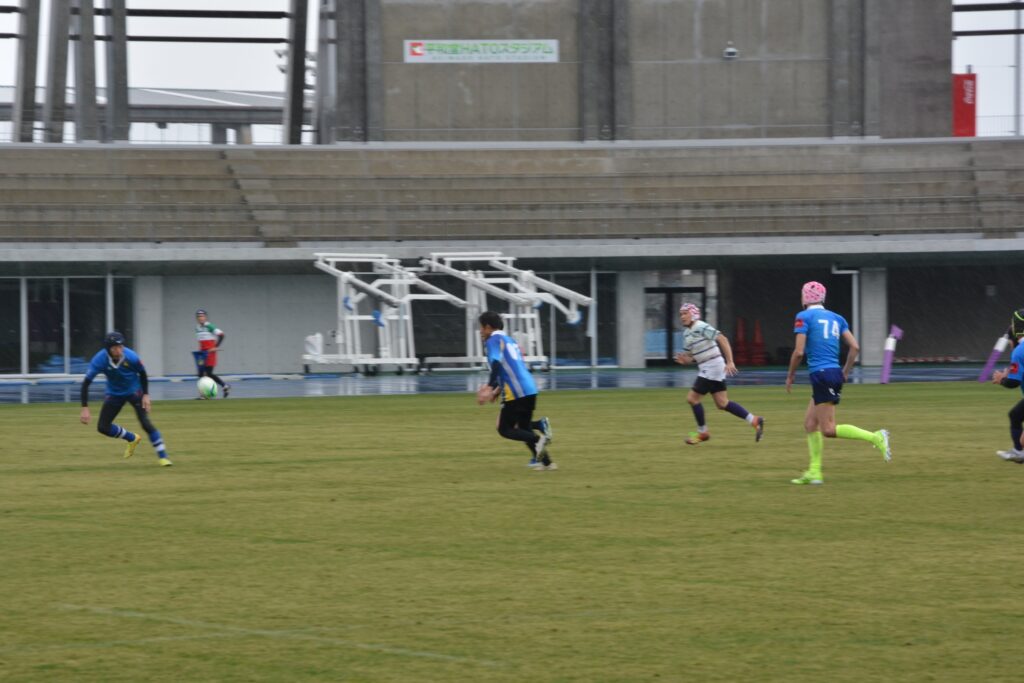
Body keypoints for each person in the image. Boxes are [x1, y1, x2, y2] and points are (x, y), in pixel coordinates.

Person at [785, 281, 890, 485]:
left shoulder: (803, 317)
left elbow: (798, 352)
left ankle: (876, 437)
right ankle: (814, 472)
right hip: (831, 373)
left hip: (822, 375)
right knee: (810, 424)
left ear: (805, 297)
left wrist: (790, 375)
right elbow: (855, 347)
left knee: (828, 429)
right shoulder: (836, 318)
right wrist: (846, 371)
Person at [674, 303, 765, 445]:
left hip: (712, 366)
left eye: (685, 313)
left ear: (694, 314)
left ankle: (702, 432)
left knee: (692, 399)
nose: (682, 317)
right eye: (681, 314)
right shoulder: (686, 334)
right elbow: (693, 357)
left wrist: (730, 361)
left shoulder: (701, 326)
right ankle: (754, 420)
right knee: (722, 403)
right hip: (709, 366)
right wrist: (685, 360)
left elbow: (722, 339)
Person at [477, 311, 556, 470]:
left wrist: (489, 387)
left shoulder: (493, 340)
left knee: (504, 429)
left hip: (515, 391)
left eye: (481, 328)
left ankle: (539, 440)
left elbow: (497, 364)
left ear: (488, 327)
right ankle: (547, 463)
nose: (480, 332)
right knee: (524, 428)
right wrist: (497, 391)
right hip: (530, 387)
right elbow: (510, 367)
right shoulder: (510, 340)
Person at [79, 331, 172, 467]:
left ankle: (163, 457)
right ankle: (132, 438)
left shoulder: (131, 356)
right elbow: (86, 383)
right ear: (108, 349)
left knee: (145, 423)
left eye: (121, 346)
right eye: (115, 348)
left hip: (134, 392)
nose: (119, 350)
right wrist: (85, 407)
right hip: (114, 394)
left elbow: (142, 373)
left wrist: (146, 395)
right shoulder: (99, 359)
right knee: (103, 427)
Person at [991, 308, 1024, 463]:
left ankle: (1019, 452)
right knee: (1015, 414)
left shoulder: (1019, 351)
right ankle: (1018, 452)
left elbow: (1013, 382)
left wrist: (1001, 379)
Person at [195, 308, 229, 397]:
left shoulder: (210, 326)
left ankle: (222, 386)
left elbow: (222, 335)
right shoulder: (197, 328)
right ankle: (224, 386)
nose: (200, 318)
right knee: (200, 374)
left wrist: (215, 347)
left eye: (202, 316)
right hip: (202, 354)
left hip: (210, 353)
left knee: (208, 373)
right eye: (199, 316)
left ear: (205, 317)